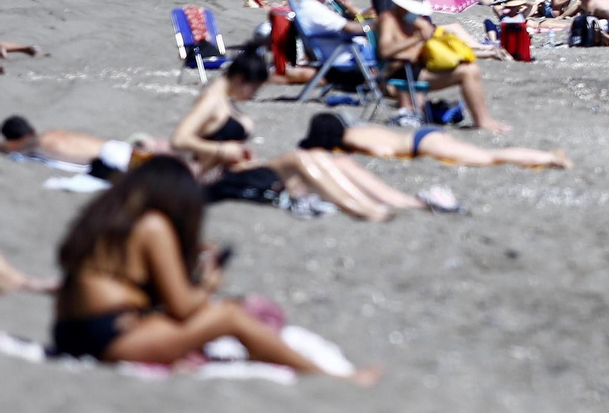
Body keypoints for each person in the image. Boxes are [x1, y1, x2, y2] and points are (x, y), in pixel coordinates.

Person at [51, 156, 379, 382]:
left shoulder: (108, 219)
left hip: (73, 331)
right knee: (230, 317)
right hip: (106, 338)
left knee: (219, 317)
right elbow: (182, 306)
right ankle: (328, 377)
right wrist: (208, 283)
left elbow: (140, 289)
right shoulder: (153, 225)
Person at [172, 49, 456, 219]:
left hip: (237, 171)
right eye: (254, 88)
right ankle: (364, 209)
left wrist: (232, 154)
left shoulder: (225, 98)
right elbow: (179, 140)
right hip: (210, 183)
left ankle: (411, 203)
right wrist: (223, 152)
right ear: (238, 79)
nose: (254, 95)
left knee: (337, 161)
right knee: (300, 158)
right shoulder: (212, 99)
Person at [377, 0, 509, 132]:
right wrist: (417, 38)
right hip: (402, 73)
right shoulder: (388, 19)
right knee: (467, 72)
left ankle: (483, 119)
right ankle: (482, 121)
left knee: (470, 67)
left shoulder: (413, 20)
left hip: (417, 68)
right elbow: (385, 51)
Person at [298, 112, 570, 169]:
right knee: (485, 153)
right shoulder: (357, 130)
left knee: (489, 157)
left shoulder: (354, 141)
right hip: (425, 135)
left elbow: (381, 151)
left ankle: (548, 158)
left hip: (423, 144)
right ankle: (545, 156)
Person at [2, 116, 109, 167]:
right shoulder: (53, 133)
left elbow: (12, 147)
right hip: (112, 148)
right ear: (33, 129)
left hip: (106, 162)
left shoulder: (37, 143)